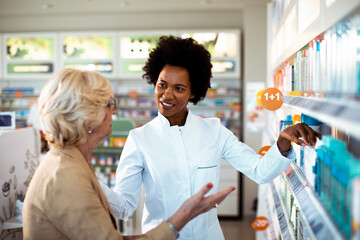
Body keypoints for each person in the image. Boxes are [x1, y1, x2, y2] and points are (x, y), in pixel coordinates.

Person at [101, 36, 321, 240]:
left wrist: (283, 141)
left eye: (179, 88)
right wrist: (92, 181)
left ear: (193, 92)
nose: (167, 95)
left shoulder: (214, 131)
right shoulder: (140, 138)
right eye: (162, 85)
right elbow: (124, 207)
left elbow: (260, 171)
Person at [22, 68, 236, 240]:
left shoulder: (70, 161)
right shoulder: (65, 176)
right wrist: (181, 217)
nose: (113, 111)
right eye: (109, 104)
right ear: (88, 118)